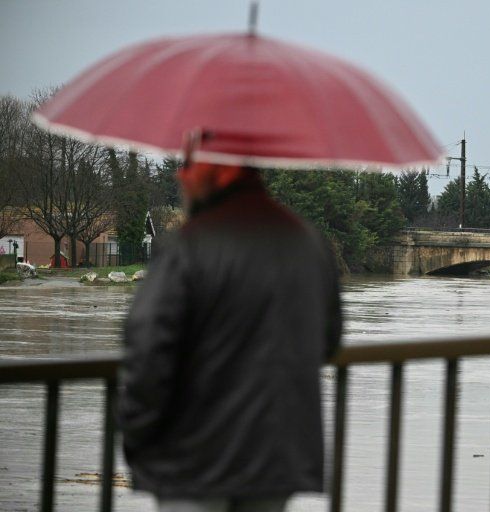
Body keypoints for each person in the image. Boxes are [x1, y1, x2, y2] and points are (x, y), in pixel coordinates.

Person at [117, 158, 342, 512]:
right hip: (276, 455)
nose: (180, 174)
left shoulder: (187, 246)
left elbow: (147, 350)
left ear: (223, 169)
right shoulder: (309, 242)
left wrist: (136, 436)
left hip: (195, 456)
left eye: (190, 164)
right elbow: (328, 341)